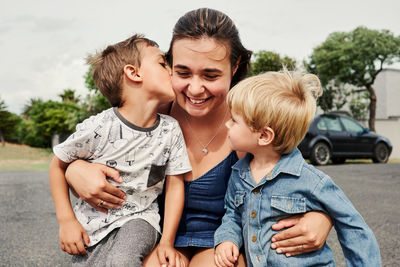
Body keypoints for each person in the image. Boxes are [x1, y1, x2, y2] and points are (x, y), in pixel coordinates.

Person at [64, 8, 333, 267]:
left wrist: (321, 216)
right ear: (168, 65)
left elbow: (296, 178)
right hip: (154, 239)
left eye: (211, 74)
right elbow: (88, 152)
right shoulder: (149, 119)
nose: (195, 88)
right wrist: (75, 170)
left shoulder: (251, 122)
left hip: (220, 244)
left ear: (235, 65)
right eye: (182, 72)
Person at [49, 34, 192, 267]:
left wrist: (167, 241)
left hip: (141, 219)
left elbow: (176, 184)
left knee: (122, 261)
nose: (171, 70)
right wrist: (66, 220)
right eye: (162, 63)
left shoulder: (170, 129)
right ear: (134, 73)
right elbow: (57, 165)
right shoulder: (98, 127)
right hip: (92, 228)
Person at [214, 71, 381, 267]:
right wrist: (226, 239)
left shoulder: (312, 181)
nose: (227, 124)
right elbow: (232, 214)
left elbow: (353, 225)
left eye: (234, 120)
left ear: (264, 136)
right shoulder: (238, 174)